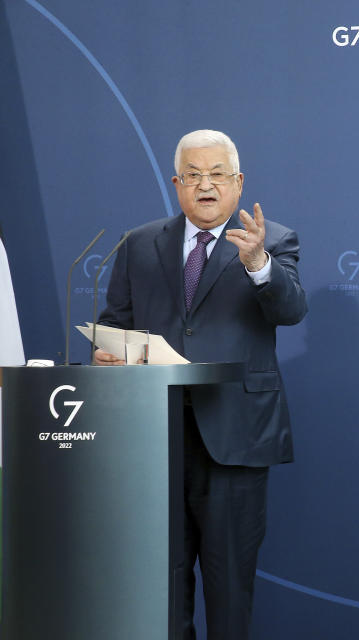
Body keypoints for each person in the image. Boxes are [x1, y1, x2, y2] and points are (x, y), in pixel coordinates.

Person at [95, 130, 308, 638]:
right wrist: (107, 356)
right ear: (176, 183)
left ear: (238, 183)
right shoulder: (140, 244)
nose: (205, 185)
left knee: (229, 589)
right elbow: (115, 324)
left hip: (234, 438)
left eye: (217, 175)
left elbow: (292, 309)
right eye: (193, 175)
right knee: (160, 588)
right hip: (154, 441)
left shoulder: (270, 239)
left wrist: (258, 264)